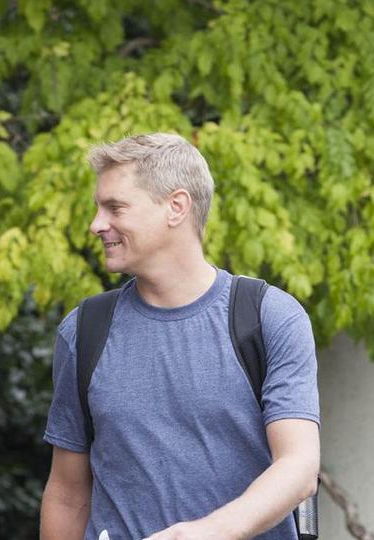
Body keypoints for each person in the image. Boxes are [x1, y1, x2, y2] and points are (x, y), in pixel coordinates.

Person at [40, 133, 320, 540]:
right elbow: (67, 493)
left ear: (176, 207)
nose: (96, 224)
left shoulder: (267, 317)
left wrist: (206, 533)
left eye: (115, 207)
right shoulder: (84, 331)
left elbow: (298, 468)